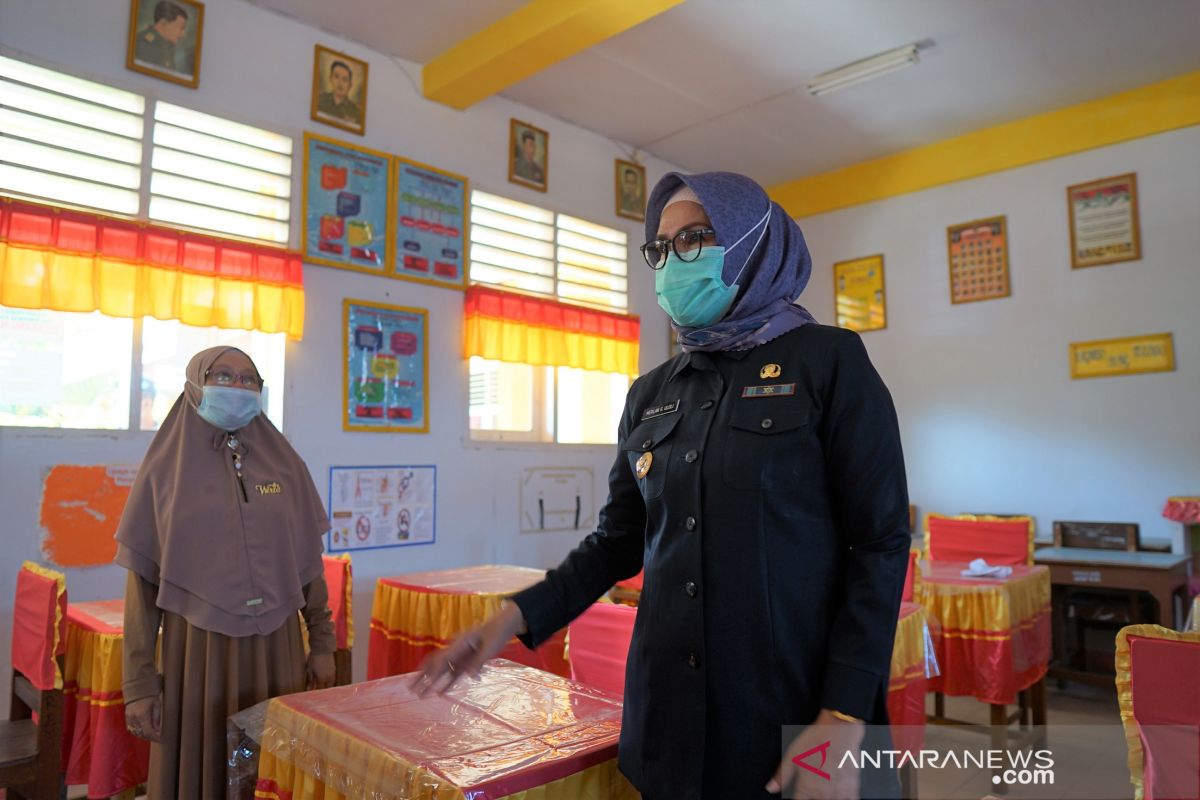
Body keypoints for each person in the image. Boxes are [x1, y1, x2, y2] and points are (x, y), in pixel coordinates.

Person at [413, 172, 909, 800]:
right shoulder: (651, 393)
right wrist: (512, 617)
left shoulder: (831, 362)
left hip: (794, 708)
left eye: (696, 238)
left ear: (752, 245)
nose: (674, 260)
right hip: (671, 714)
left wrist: (843, 710)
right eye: (662, 246)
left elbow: (881, 542)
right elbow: (617, 542)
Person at [116, 346, 336, 799]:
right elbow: (141, 582)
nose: (237, 387)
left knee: (274, 765)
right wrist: (138, 683)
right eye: (223, 376)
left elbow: (308, 563)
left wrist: (323, 643)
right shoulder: (164, 472)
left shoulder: (285, 465)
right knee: (204, 767)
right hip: (197, 655)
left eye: (248, 379)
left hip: (278, 650)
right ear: (195, 385)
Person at [135, 0, 189, 72]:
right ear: (163, 23)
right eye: (181, 28)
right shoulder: (144, 44)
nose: (183, 34)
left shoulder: (166, 44)